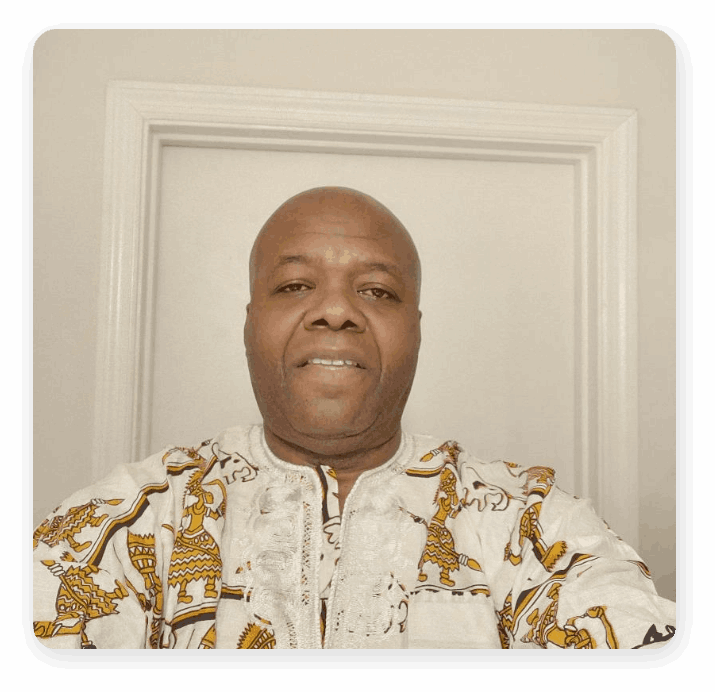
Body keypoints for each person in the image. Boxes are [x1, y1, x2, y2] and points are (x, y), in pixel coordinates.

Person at [33, 186, 675, 649]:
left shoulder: (537, 527)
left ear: (415, 331)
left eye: (377, 291)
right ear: (250, 324)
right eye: (294, 286)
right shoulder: (115, 526)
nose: (336, 311)